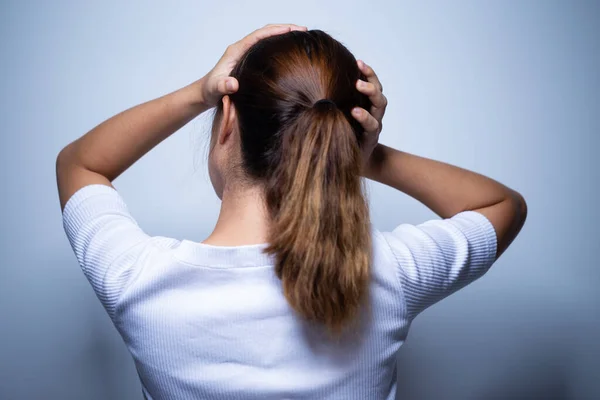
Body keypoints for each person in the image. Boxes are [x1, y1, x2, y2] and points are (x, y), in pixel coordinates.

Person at [56, 24, 527, 400]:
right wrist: (365, 155)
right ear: (346, 140)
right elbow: (502, 205)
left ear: (229, 121)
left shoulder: (138, 281)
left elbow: (80, 164)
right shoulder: (387, 273)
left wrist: (198, 92)